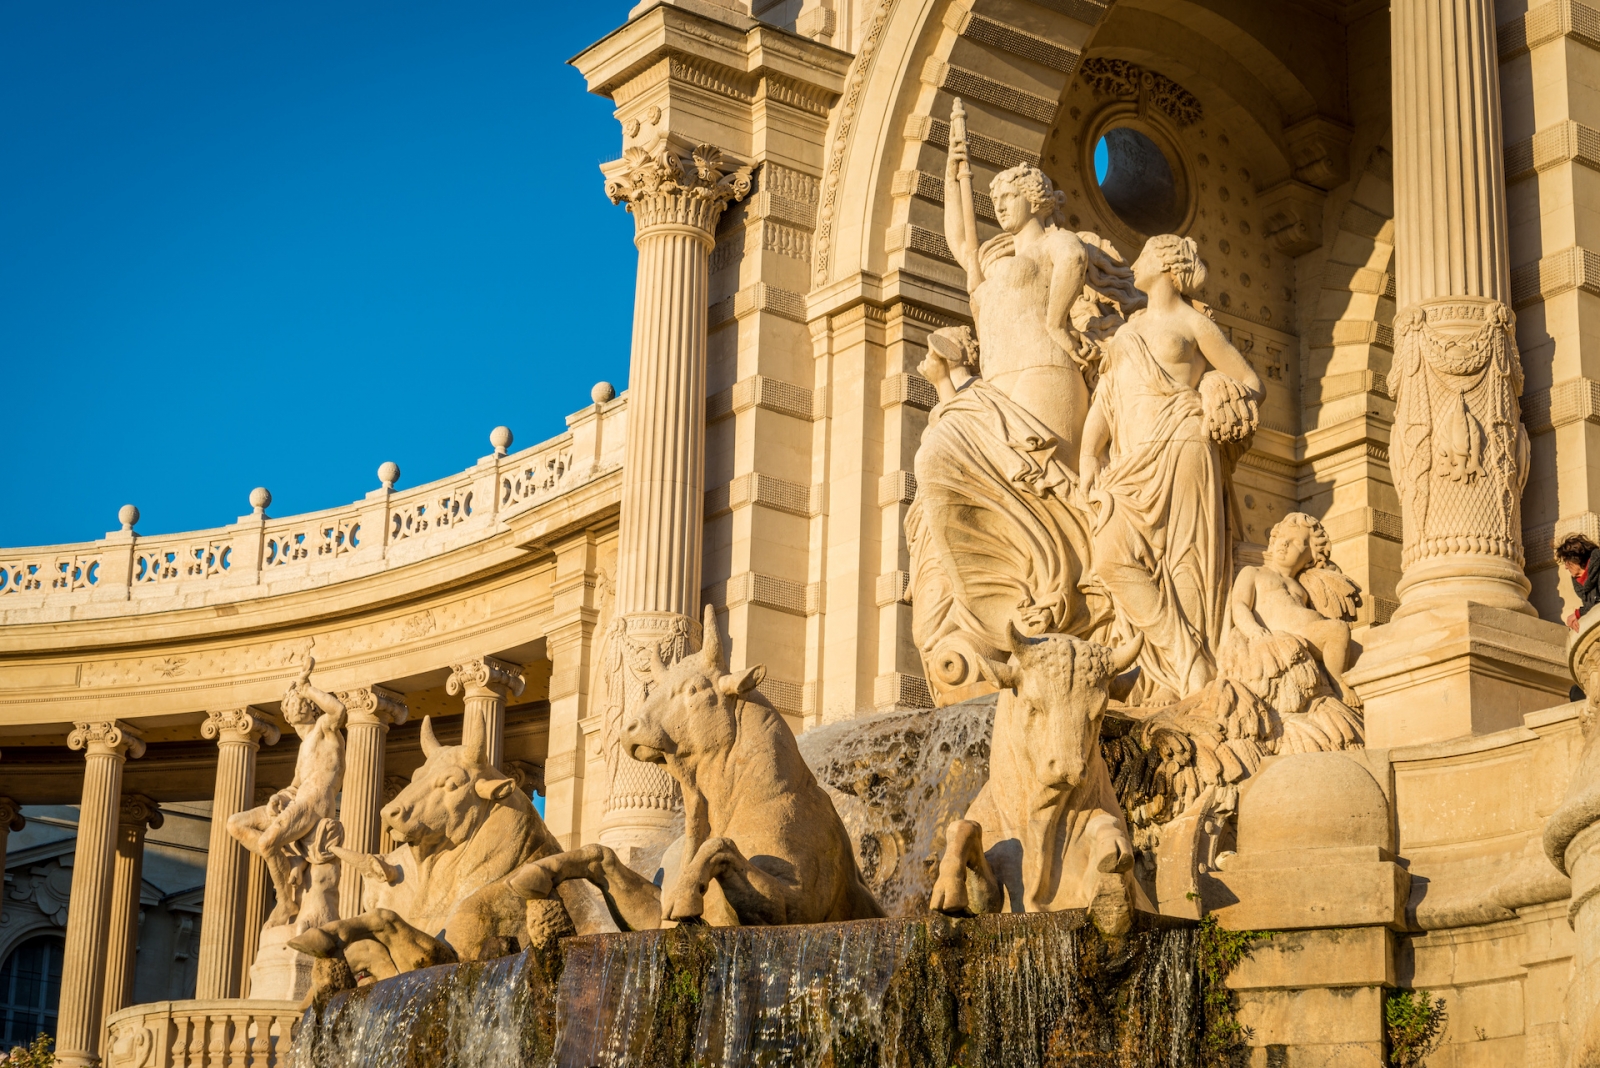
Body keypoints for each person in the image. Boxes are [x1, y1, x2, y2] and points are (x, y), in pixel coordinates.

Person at [1078, 235, 1263, 701]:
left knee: (1187, 561)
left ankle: (1188, 685)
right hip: (1130, 464)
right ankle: (1183, 658)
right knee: (1108, 555)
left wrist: (1217, 384)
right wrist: (1086, 454)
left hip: (1184, 444)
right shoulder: (1126, 333)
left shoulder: (1192, 323)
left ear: (1162, 264)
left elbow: (1251, 382)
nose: (1133, 263)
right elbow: (1107, 399)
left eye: (1142, 256)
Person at [1557, 533, 1600, 632]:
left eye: (1566, 561)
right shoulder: (1581, 584)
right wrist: (1581, 617)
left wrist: (1578, 614)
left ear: (1576, 559)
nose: (1566, 567)